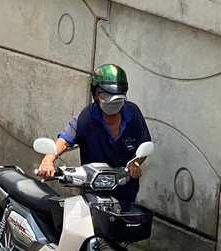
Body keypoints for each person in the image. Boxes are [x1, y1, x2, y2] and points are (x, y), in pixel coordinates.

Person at [36, 64, 150, 204]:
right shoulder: (86, 118)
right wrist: (48, 161)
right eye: (107, 95)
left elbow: (143, 146)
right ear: (96, 95)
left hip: (125, 193)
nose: (113, 101)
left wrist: (134, 164)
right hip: (92, 194)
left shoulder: (133, 115)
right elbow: (64, 140)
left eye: (117, 96)